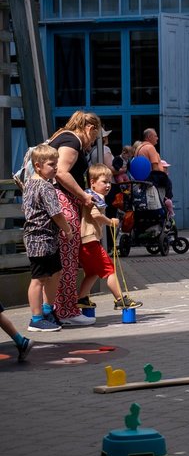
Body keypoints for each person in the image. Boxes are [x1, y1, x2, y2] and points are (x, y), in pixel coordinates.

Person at [49, 110, 101, 326]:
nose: (92, 144)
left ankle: (53, 310)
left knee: (59, 261)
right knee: (68, 259)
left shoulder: (60, 136)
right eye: (95, 137)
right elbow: (61, 171)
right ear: (89, 129)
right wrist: (83, 195)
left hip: (55, 203)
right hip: (63, 204)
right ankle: (66, 311)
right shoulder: (73, 140)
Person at [76, 163, 143, 311]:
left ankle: (82, 298)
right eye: (104, 182)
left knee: (93, 272)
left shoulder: (93, 195)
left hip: (85, 241)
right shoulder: (93, 197)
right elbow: (95, 215)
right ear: (92, 182)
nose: (108, 185)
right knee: (110, 270)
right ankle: (120, 300)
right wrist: (110, 222)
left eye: (109, 182)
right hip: (90, 240)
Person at [22, 144, 72, 333]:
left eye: (56, 163)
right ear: (38, 165)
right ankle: (36, 319)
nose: (56, 168)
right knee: (39, 279)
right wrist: (67, 230)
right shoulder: (44, 186)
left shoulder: (31, 183)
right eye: (52, 164)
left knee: (55, 272)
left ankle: (47, 309)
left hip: (46, 238)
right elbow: (56, 213)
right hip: (39, 238)